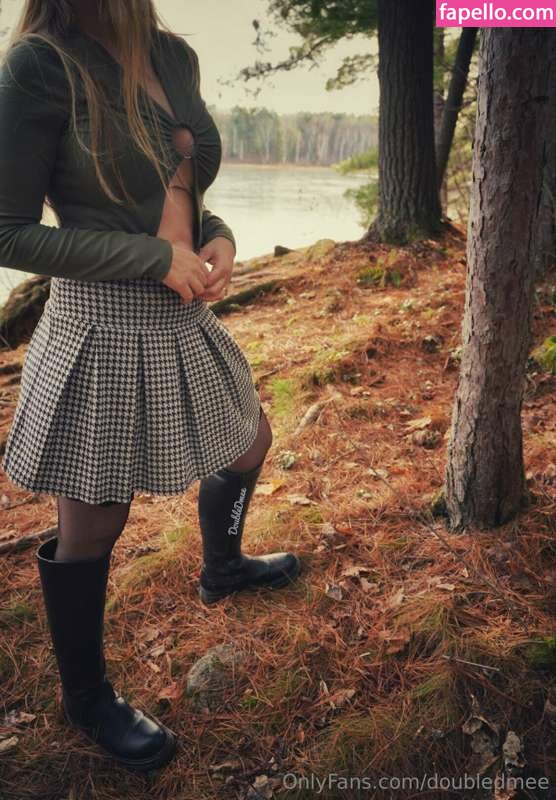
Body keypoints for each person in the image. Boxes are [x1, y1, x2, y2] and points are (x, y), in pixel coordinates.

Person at [0, 0, 301, 773]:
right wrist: (152, 259)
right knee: (95, 521)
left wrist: (215, 233)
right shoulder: (40, 64)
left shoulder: (173, 56)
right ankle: (87, 699)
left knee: (249, 440)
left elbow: (177, 187)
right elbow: (8, 230)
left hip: (181, 309)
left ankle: (223, 567)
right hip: (101, 323)